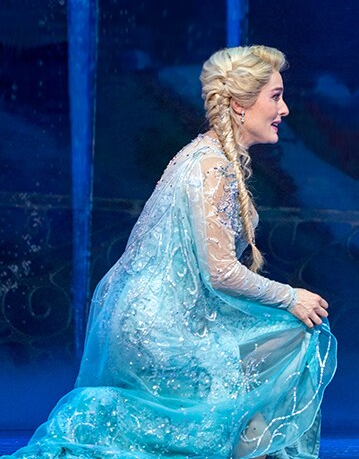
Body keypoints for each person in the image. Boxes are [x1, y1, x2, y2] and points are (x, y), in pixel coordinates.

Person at [5, 45, 336, 459]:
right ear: (239, 104)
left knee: (280, 341)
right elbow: (220, 272)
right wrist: (290, 296)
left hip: (157, 320)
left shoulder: (205, 155)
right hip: (158, 332)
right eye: (276, 96)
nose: (284, 109)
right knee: (302, 330)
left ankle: (247, 441)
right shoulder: (212, 166)